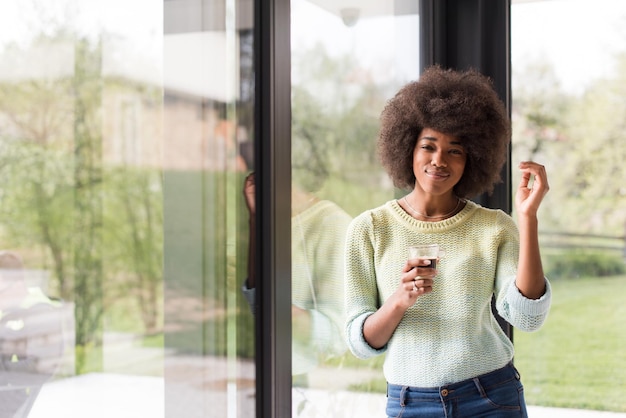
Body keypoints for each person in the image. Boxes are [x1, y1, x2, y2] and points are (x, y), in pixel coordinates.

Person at [344, 65, 552, 417]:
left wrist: (527, 218)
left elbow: (526, 317)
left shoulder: (494, 228)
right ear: (407, 147)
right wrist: (399, 300)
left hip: (490, 396)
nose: (439, 160)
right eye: (429, 146)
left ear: (471, 158)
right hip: (410, 404)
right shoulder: (369, 229)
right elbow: (361, 343)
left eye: (455, 150)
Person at [241, 171, 352, 383]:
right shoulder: (275, 217)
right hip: (259, 371)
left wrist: (279, 310)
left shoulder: (334, 225)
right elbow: (257, 299)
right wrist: (256, 219)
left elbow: (337, 336)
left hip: (295, 382)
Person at [0, 250, 66, 417]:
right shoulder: (10, 312)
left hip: (13, 398)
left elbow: (38, 367)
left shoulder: (41, 313)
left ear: (17, 284)